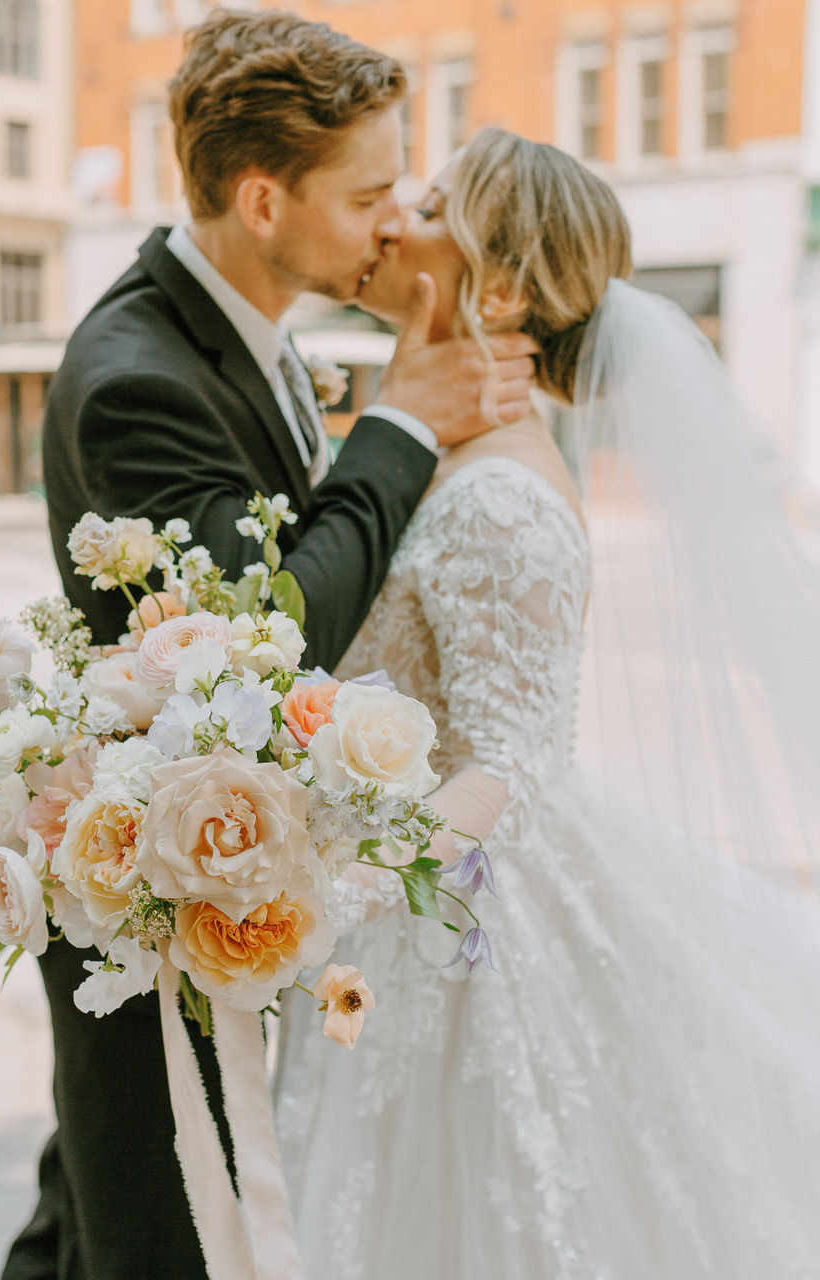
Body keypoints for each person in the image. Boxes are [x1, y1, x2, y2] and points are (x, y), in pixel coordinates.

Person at [1, 15, 537, 1280]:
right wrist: (399, 423)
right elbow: (261, 635)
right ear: (261, 198)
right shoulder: (138, 374)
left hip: (207, 883)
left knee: (87, 1209)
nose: (388, 219)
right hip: (151, 911)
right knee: (148, 1232)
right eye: (365, 194)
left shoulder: (240, 327)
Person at [275, 126, 820, 1278]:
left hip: (456, 933)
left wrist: (336, 893)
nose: (393, 220)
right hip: (414, 915)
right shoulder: (450, 451)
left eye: (425, 203)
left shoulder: (500, 499)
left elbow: (510, 767)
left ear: (506, 281)